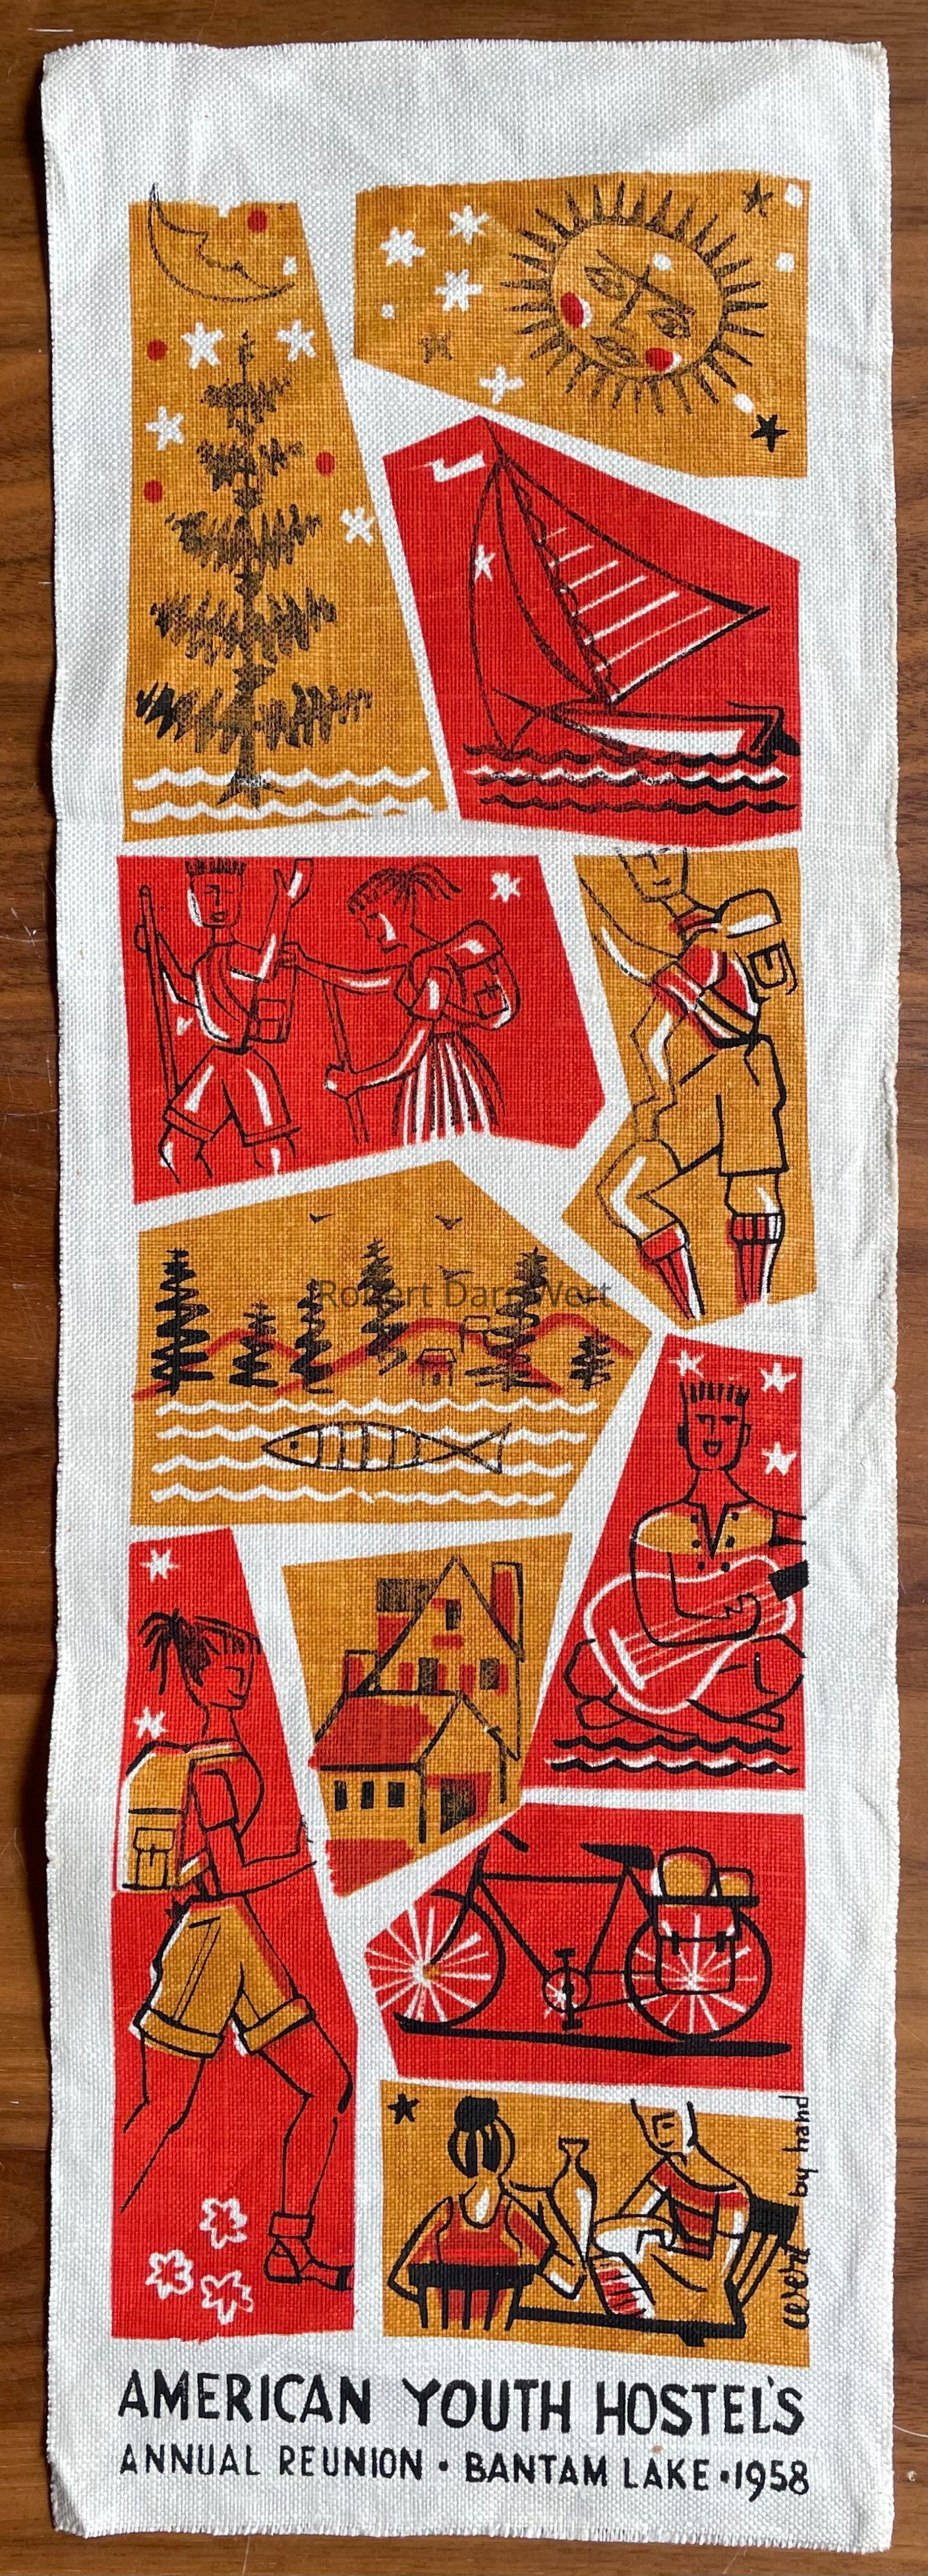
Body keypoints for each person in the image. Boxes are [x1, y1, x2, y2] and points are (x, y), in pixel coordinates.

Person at [119, 1605, 353, 2291]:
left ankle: (288, 2246)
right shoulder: (210, 1769)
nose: (243, 1680)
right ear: (197, 1681)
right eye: (229, 1671)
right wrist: (302, 1859)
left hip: (235, 1937)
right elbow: (228, 1874)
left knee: (328, 2082)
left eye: (246, 1669)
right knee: (164, 2108)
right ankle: (105, 2221)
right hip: (207, 1943)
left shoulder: (226, 1756)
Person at [590, 847, 795, 1318]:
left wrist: (659, 1096)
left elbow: (648, 1031)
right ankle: (741, 1312)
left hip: (726, 1081)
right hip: (749, 1074)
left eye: (661, 855)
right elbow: (679, 938)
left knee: (626, 1194)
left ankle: (707, 1315)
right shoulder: (725, 928)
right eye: (640, 859)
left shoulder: (710, 948)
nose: (651, 867)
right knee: (751, 1194)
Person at [560, 1375, 805, 1761]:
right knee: (585, 1666)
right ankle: (703, 1719)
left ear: (744, 1436)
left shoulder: (763, 1521)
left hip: (708, 1665)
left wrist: (750, 1619)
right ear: (682, 1433)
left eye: (728, 1423)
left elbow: (817, 1549)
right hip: (662, 1652)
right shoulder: (658, 1527)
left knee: (784, 1663)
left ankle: (640, 1709)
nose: (714, 1434)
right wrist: (732, 1624)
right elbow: (656, 1621)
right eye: (703, 1421)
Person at [282, 863, 519, 1145]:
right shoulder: (419, 967)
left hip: (441, 1078)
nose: (370, 933)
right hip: (442, 1070)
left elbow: (408, 1058)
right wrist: (306, 964)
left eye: (373, 918)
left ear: (399, 911)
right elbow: (365, 982)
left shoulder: (433, 971)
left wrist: (355, 1082)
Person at [137, 858, 311, 1185]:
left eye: (228, 893)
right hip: (217, 1065)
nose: (218, 903)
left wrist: (285, 904)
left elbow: (264, 966)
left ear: (241, 897)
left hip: (245, 1068)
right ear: (193, 900)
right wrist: (158, 949)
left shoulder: (237, 954)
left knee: (273, 1154)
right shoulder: (205, 962)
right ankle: (198, 1204)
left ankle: (288, 1203)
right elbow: (188, 992)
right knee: (176, 1149)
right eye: (209, 893)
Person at [389, 2095, 557, 2330]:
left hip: (440, 2333)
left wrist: (437, 2305)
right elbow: (561, 2276)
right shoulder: (511, 2215)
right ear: (505, 2152)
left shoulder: (447, 2214)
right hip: (502, 2336)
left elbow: (401, 2277)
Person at [589, 2102, 752, 2330]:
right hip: (669, 2263)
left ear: (688, 2120)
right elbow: (634, 2215)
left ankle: (641, 2315)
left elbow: (716, 2273)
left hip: (700, 2286)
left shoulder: (730, 2195)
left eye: (667, 2124)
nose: (658, 2136)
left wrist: (654, 2249)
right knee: (603, 2239)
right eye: (648, 2126)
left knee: (636, 2247)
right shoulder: (670, 2169)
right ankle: (633, 2314)